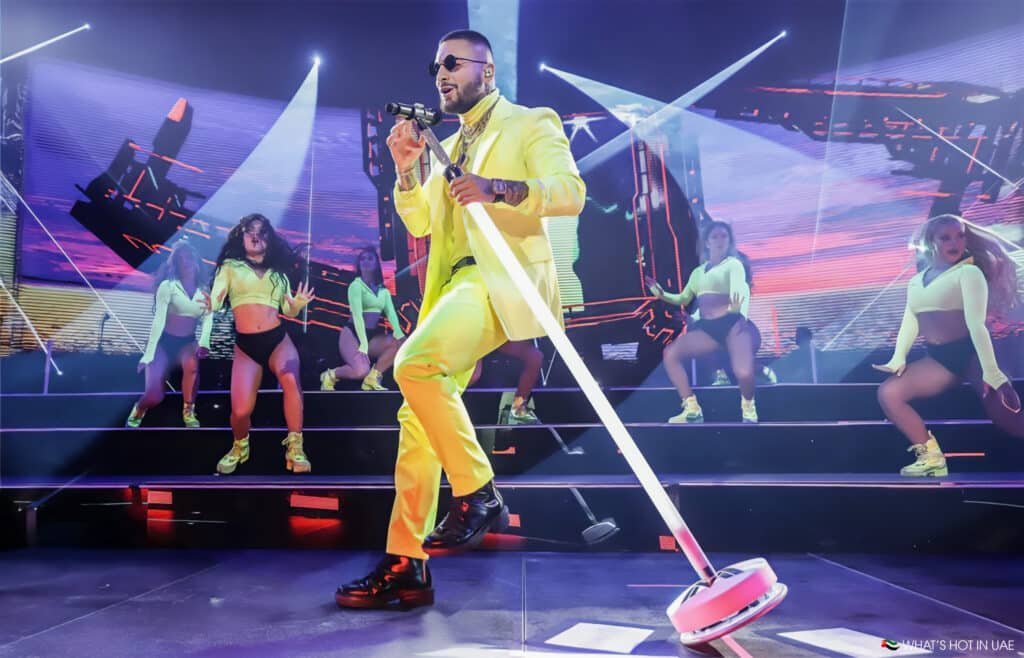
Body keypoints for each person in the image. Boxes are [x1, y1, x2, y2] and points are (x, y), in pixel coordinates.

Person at [335, 29, 584, 609]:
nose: (441, 72)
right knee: (418, 421)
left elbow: (570, 190)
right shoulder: (450, 143)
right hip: (451, 288)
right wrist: (405, 170)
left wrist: (499, 187)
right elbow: (422, 223)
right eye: (436, 65)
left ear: (487, 71)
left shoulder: (529, 121)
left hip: (496, 280)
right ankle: (406, 562)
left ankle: (478, 491)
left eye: (452, 62)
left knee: (415, 366)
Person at [874, 214, 1022, 477]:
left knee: (1007, 418)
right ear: (932, 242)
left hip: (973, 353)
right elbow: (911, 320)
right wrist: (898, 357)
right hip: (940, 359)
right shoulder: (917, 281)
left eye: (960, 235)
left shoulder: (968, 272)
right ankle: (932, 459)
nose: (955, 242)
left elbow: (976, 325)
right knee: (889, 393)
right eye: (946, 237)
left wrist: (992, 371)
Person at [200, 213, 315, 474]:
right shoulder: (230, 266)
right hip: (247, 347)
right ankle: (240, 445)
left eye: (261, 232)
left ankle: (295, 448)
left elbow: (288, 310)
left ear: (268, 240)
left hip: (277, 340)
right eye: (250, 231)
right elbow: (218, 298)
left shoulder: (279, 274)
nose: (255, 236)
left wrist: (296, 305)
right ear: (242, 237)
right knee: (240, 411)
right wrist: (211, 303)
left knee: (291, 381)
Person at [646, 221, 759, 423]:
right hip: (709, 330)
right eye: (715, 236)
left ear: (729, 240)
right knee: (671, 354)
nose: (719, 240)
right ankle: (691, 407)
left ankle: (748, 408)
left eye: (724, 236)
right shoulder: (698, 273)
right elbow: (682, 298)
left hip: (732, 324)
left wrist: (739, 312)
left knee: (743, 372)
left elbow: (739, 291)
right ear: (707, 242)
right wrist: (660, 293)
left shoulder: (733, 265)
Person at [126, 242, 210, 428]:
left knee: (192, 365)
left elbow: (208, 318)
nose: (185, 262)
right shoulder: (168, 286)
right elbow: (158, 321)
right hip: (164, 343)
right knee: (155, 395)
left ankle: (188, 411)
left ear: (196, 260)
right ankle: (140, 408)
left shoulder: (204, 290)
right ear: (176, 264)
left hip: (187, 342)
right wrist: (148, 354)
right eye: (180, 259)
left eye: (188, 257)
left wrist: (204, 343)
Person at [320, 247, 406, 391]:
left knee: (399, 343)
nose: (366, 261)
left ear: (376, 264)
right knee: (360, 371)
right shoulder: (356, 286)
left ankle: (372, 378)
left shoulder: (382, 291)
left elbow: (391, 315)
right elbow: (357, 316)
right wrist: (363, 345)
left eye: (370, 258)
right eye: (363, 258)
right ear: (359, 264)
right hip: (352, 334)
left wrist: (401, 335)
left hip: (371, 336)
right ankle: (330, 375)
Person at [468, 340, 544, 423]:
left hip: (504, 336)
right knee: (474, 376)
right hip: (486, 337)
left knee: (535, 357)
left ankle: (518, 408)